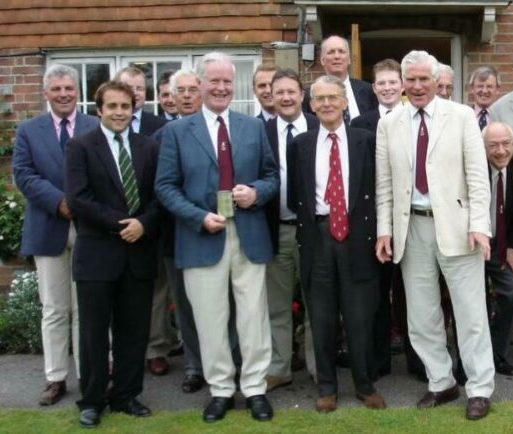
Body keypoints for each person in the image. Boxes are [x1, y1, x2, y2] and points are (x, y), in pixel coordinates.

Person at [155, 52, 279, 423]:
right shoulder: (177, 132)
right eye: (215, 81)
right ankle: (222, 390)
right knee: (209, 319)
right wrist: (197, 216)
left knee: (254, 317)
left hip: (249, 234)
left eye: (228, 81)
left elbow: (272, 176)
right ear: (201, 84)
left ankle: (255, 388)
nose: (222, 87)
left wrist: (256, 192)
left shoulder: (252, 128)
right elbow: (164, 186)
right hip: (201, 237)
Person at [375, 50, 495, 420]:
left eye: (423, 79)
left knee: (470, 312)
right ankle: (441, 382)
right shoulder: (390, 123)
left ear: (436, 79)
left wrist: (480, 225)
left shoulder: (460, 117)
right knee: (422, 315)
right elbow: (384, 184)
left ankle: (479, 388)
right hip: (411, 228)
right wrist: (384, 230)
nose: (416, 86)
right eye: (410, 80)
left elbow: (478, 176)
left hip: (458, 229)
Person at [65, 80, 161, 428]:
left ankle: (126, 395)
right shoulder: (81, 147)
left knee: (133, 330)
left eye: (125, 106)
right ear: (99, 110)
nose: (119, 112)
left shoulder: (148, 146)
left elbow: (157, 197)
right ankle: (91, 400)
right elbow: (78, 199)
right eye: (112, 107)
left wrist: (144, 224)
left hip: (138, 253)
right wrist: (124, 223)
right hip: (97, 253)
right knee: (93, 332)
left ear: (133, 108)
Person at [287, 75, 385, 412]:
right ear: (310, 105)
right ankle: (327, 387)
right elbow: (295, 195)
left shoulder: (366, 140)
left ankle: (364, 384)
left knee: (359, 318)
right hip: (318, 238)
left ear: (345, 102)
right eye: (319, 99)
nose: (326, 104)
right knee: (323, 318)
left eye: (333, 97)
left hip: (358, 238)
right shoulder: (299, 144)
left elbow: (379, 190)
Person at [12, 64, 99, 406]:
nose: (64, 94)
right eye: (57, 89)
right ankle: (55, 377)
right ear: (45, 92)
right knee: (54, 308)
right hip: (49, 226)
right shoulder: (29, 130)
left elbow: (106, 171)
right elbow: (23, 174)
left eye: (69, 88)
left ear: (77, 92)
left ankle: (89, 375)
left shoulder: (94, 125)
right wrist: (59, 202)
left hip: (90, 229)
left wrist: (82, 204)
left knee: (87, 308)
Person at [263, 68, 319, 391]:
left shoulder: (317, 125)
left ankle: (316, 366)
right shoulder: (259, 131)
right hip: (276, 230)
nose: (285, 97)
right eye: (279, 92)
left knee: (316, 303)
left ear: (302, 95)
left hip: (311, 231)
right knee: (277, 305)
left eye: (291, 92)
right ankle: (279, 367)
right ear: (271, 96)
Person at [116, 65, 171, 375]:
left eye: (139, 88)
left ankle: (155, 348)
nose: (134, 93)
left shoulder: (158, 126)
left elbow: (164, 177)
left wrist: (149, 217)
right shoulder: (102, 127)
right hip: (113, 223)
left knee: (157, 290)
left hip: (152, 218)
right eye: (128, 87)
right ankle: (123, 350)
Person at [351, 58, 404, 380]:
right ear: (374, 88)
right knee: (377, 295)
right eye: (381, 83)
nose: (386, 88)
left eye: (392, 82)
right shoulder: (360, 123)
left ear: (401, 85)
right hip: (374, 222)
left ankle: (418, 361)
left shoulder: (415, 119)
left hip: (412, 217)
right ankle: (379, 360)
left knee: (412, 294)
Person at [154, 69, 207, 393]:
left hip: (216, 231)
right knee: (185, 305)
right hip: (176, 235)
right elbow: (158, 188)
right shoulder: (161, 137)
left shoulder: (219, 131)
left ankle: (227, 362)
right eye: (180, 91)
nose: (186, 96)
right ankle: (194, 366)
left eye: (192, 89)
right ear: (170, 97)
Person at [481, 122, 513, 377]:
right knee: (478, 303)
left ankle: (497, 354)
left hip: (502, 246)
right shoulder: (474, 168)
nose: (500, 151)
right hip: (474, 246)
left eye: (505, 144)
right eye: (493, 145)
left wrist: (512, 247)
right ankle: (471, 362)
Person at [303, 35, 377, 121]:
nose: (337, 56)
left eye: (341, 51)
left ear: (349, 59)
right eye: (331, 52)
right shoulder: (309, 96)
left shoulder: (368, 90)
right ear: (322, 60)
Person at [115, 66, 167, 136]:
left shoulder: (162, 126)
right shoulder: (106, 123)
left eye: (139, 88)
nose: (135, 93)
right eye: (129, 88)